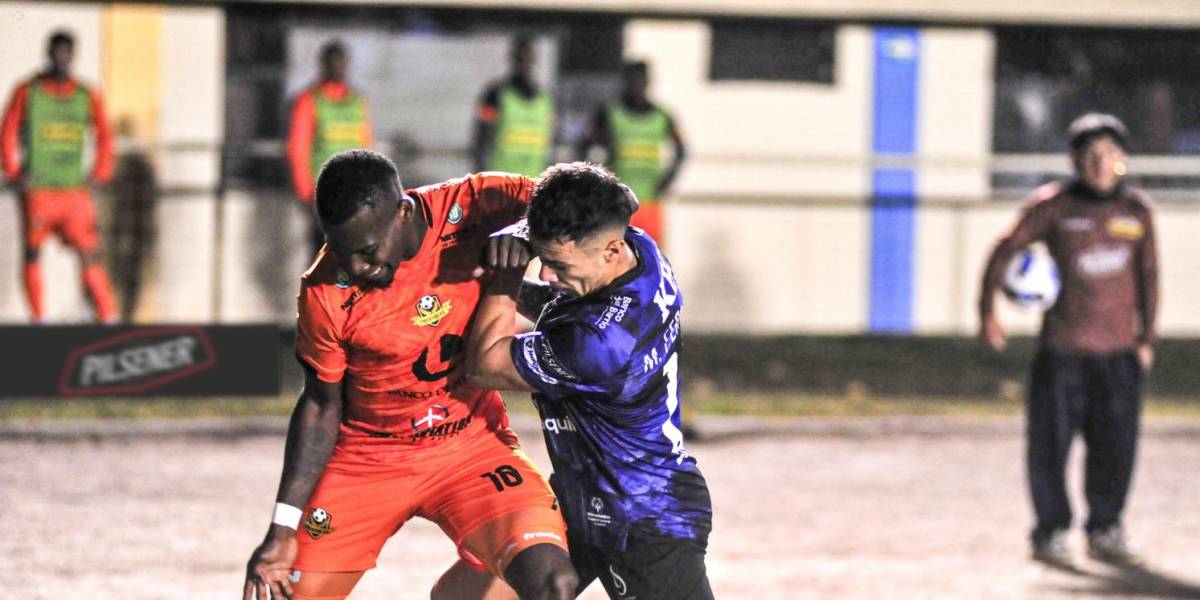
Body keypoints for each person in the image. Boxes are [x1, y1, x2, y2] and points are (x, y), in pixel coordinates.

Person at [242, 150, 577, 600]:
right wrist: (282, 526)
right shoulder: (325, 290)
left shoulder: (474, 205)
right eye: (341, 252)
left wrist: (520, 231)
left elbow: (581, 201)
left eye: (367, 250)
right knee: (276, 592)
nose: (356, 267)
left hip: (469, 447)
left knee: (554, 583)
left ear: (402, 211)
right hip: (368, 458)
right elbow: (321, 404)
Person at [465, 162, 714, 598]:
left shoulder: (601, 346)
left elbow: (484, 363)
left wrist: (503, 277)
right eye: (542, 260)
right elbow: (563, 304)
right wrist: (523, 241)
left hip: (644, 515)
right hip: (581, 494)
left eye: (556, 263)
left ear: (610, 251)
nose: (544, 273)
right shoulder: (639, 251)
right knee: (465, 595)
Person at [979, 113, 1158, 568]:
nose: (1102, 164)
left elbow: (1149, 276)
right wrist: (987, 312)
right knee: (1049, 448)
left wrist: (1147, 337)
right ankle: (1051, 530)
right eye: (1092, 155)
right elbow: (1004, 250)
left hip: (1118, 355)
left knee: (1117, 449)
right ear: (1075, 160)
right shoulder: (1054, 207)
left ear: (1123, 160)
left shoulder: (1136, 212)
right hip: (1064, 354)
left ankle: (1106, 527)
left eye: (1111, 155)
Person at [1, 30, 118, 323]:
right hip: (39, 192)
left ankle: (110, 318)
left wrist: (101, 172)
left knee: (90, 254)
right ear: (48, 54)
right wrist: (14, 172)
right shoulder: (28, 91)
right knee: (32, 254)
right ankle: (38, 319)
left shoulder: (85, 94)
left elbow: (106, 134)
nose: (62, 59)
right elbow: (8, 131)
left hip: (74, 192)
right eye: (57, 52)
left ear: (73, 56)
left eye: (67, 53)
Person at [578, 61, 686, 247]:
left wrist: (668, 179)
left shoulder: (662, 116)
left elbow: (681, 150)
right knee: (613, 261)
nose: (637, 84)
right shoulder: (610, 113)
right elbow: (585, 146)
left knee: (652, 261)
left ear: (649, 81)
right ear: (625, 81)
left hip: (650, 203)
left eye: (641, 79)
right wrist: (596, 183)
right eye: (632, 79)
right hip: (616, 205)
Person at [286, 40, 374, 258]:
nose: (339, 67)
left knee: (354, 261)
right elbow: (298, 149)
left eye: (342, 62)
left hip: (353, 198)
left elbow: (367, 146)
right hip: (321, 196)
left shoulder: (357, 101)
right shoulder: (309, 100)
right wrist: (306, 195)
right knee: (322, 259)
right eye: (334, 62)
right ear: (323, 64)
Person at [472, 35, 556, 178]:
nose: (524, 62)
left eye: (527, 57)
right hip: (500, 182)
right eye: (520, 58)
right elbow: (482, 138)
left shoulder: (546, 102)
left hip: (534, 184)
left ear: (534, 58)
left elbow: (551, 143)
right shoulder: (494, 96)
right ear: (512, 59)